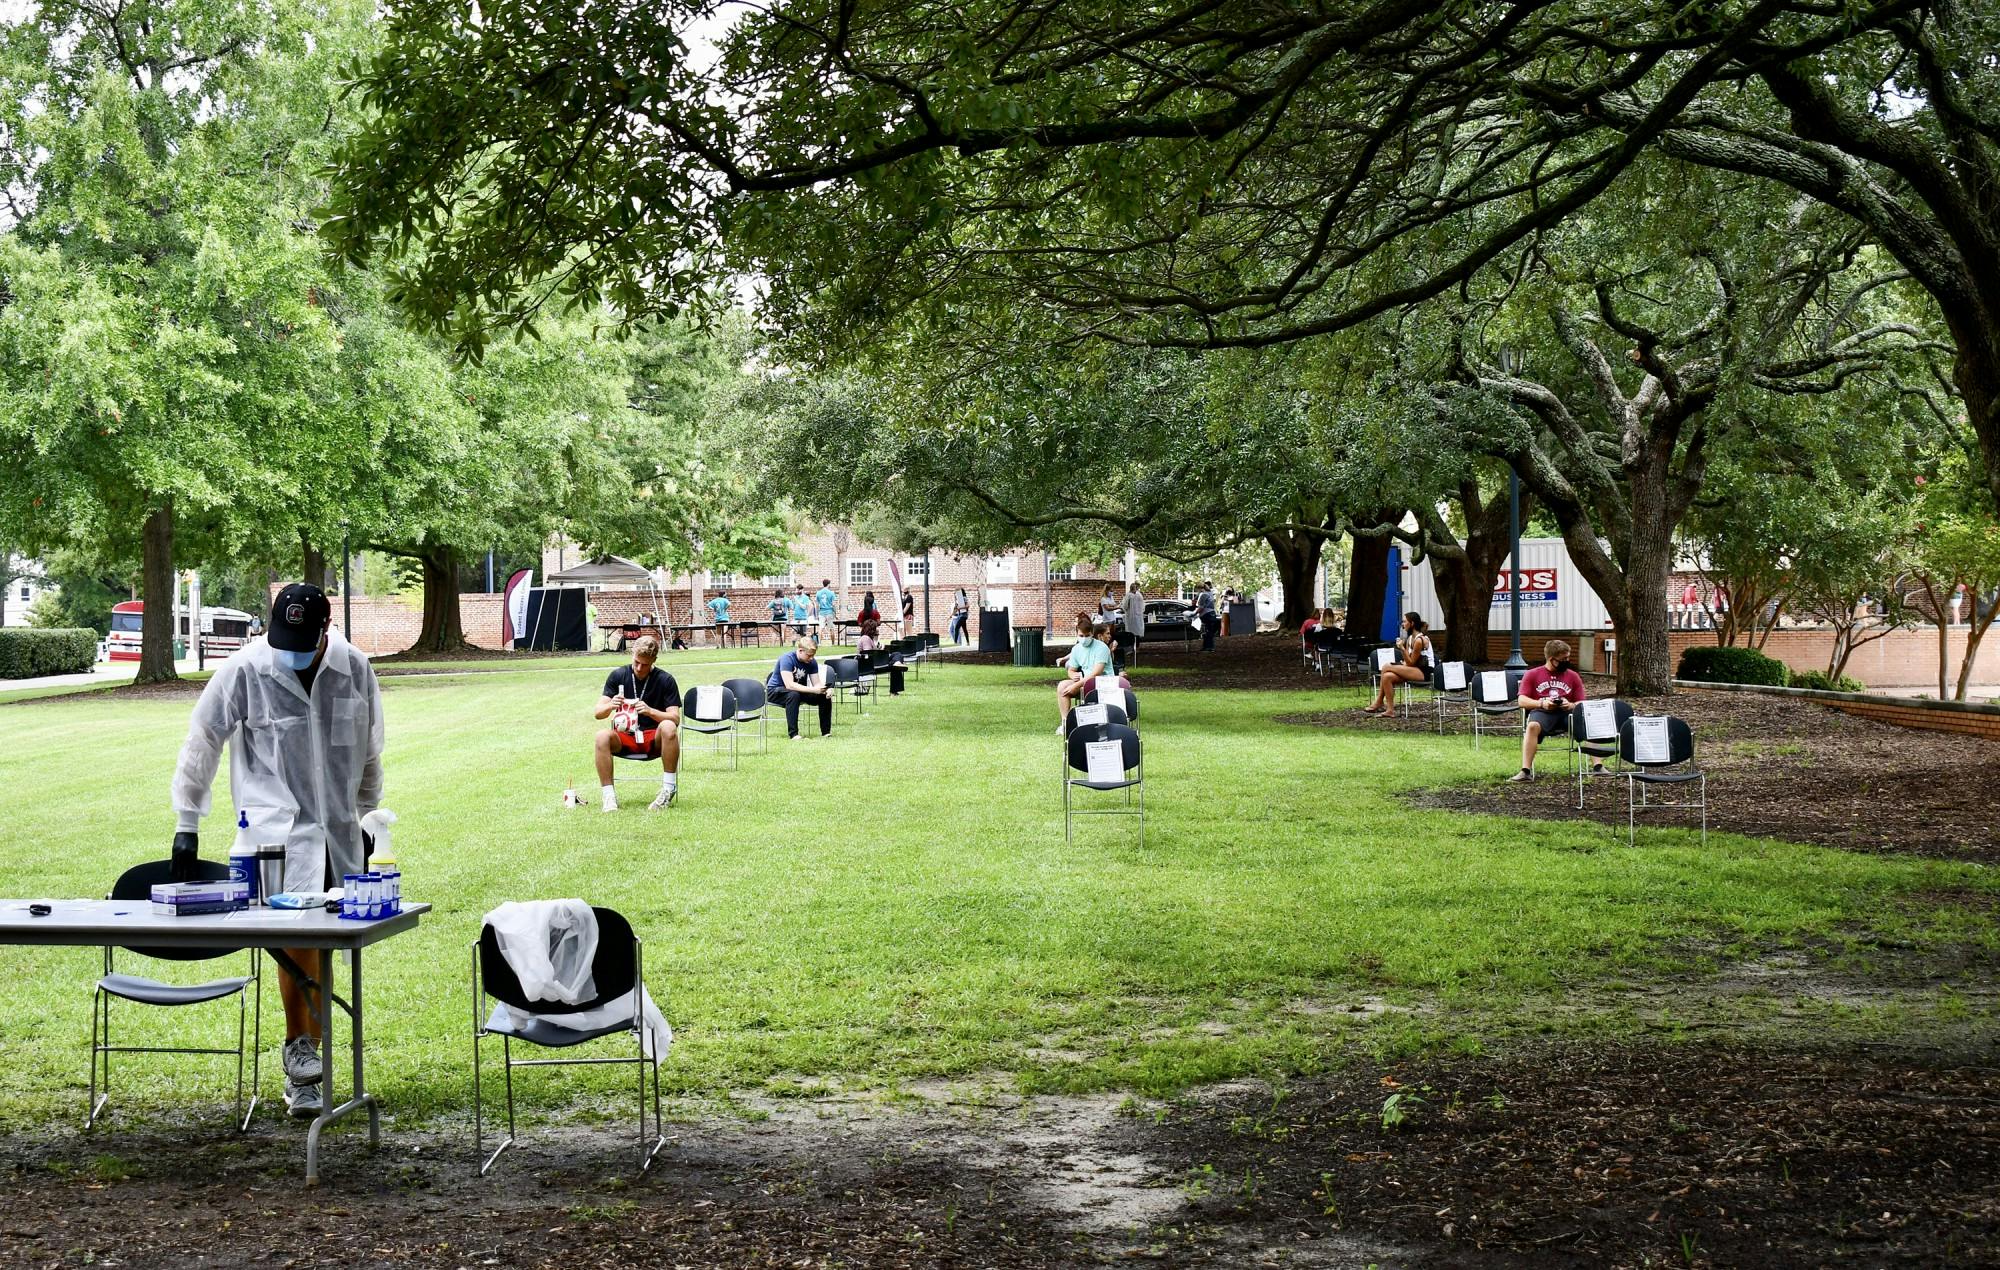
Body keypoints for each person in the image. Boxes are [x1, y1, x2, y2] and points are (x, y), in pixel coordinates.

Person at [170, 582, 384, 1121]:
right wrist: (186, 823)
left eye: (302, 641)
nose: (289, 650)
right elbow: (202, 741)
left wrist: (365, 815)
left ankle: (311, 1062)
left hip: (338, 831)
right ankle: (300, 1053)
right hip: (273, 836)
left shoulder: (355, 669)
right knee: (295, 944)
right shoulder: (244, 670)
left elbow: (370, 748)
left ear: (325, 633)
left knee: (326, 948)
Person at [593, 635, 681, 811]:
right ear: (632, 655)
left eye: (645, 665)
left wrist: (650, 711)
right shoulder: (618, 675)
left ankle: (668, 789)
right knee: (601, 736)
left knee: (669, 726)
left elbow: (675, 718)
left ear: (654, 660)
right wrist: (611, 705)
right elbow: (598, 713)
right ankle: (609, 797)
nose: (640, 668)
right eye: (636, 662)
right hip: (625, 736)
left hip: (653, 738)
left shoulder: (666, 680)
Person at [1510, 639, 1592, 782]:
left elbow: (1582, 702)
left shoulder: (1573, 676)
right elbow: (1521, 701)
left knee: (1588, 722)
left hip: (1567, 712)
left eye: (1568, 657)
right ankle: (1525, 771)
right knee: (1532, 726)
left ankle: (1598, 767)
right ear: (1551, 659)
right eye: (1563, 659)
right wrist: (1542, 703)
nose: (1567, 661)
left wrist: (1571, 705)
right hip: (1543, 712)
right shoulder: (1532, 674)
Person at [1363, 611, 1432, 715]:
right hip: (1414, 669)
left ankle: (1379, 701)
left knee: (1386, 666)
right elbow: (1408, 661)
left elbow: (1411, 663)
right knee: (1387, 676)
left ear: (1412, 623)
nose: (1402, 624)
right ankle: (1390, 710)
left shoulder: (1419, 640)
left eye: (1404, 622)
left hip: (1425, 671)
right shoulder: (1410, 639)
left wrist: (1402, 649)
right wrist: (1402, 662)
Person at [1055, 612, 1114, 733]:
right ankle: (1066, 723)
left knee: (1074, 686)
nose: (1084, 639)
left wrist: (1076, 685)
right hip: (1085, 683)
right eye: (1081, 636)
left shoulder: (1101, 648)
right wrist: (1073, 676)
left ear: (1092, 634)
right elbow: (1071, 669)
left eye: (1087, 636)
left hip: (1103, 682)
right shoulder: (1076, 649)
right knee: (1062, 687)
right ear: (1077, 634)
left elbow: (1096, 673)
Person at [767, 636, 833, 739]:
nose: (811, 658)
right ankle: (794, 734)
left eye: (813, 655)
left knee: (824, 696)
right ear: (800, 650)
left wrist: (825, 689)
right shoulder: (787, 659)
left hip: (798, 691)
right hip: (775, 691)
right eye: (809, 655)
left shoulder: (812, 662)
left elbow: (817, 683)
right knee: (793, 694)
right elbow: (789, 685)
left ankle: (826, 732)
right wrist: (813, 690)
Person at [1195, 580, 1218, 652]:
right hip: (1211, 614)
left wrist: (1193, 613)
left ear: (1199, 588)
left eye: (1197, 589)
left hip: (1206, 615)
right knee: (1209, 632)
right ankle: (1207, 647)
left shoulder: (1203, 595)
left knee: (1207, 632)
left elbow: (1201, 607)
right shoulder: (1210, 593)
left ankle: (1209, 647)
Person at [814, 578, 838, 642]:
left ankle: (819, 642)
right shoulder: (831, 593)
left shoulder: (818, 593)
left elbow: (817, 605)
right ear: (828, 584)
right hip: (829, 612)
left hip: (821, 612)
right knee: (831, 628)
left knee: (820, 627)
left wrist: (816, 615)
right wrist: (835, 613)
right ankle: (833, 643)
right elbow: (833, 604)